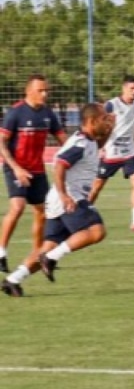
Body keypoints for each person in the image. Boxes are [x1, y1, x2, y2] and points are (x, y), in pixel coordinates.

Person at [2, 103, 114, 297]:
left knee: (48, 246)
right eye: (104, 119)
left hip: (57, 201)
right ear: (91, 121)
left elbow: (97, 145)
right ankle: (51, 258)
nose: (106, 121)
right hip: (69, 197)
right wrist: (65, 195)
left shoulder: (87, 140)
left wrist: (110, 129)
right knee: (97, 232)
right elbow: (60, 165)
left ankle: (13, 280)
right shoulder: (79, 143)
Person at [0, 74, 67, 275]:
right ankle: (1, 251)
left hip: (38, 170)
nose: (45, 94)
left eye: (46, 90)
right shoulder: (15, 113)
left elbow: (63, 138)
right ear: (28, 91)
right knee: (18, 207)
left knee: (42, 212)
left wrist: (80, 149)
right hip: (15, 167)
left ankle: (39, 254)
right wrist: (16, 168)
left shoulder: (48, 114)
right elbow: (2, 143)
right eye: (40, 90)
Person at [87, 75, 134, 231]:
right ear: (124, 89)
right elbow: (100, 126)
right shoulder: (111, 105)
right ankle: (83, 215)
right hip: (111, 152)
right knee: (97, 186)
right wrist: (100, 147)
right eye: (132, 88)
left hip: (130, 152)